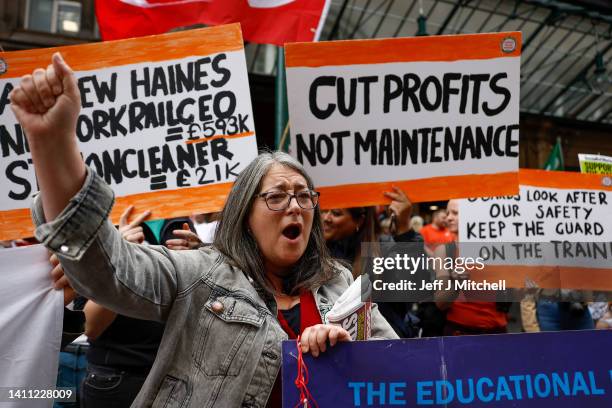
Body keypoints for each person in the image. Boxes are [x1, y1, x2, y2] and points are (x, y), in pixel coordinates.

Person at [11, 53, 397, 407]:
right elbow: (107, 267)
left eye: (303, 196)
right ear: (246, 214)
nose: (294, 205)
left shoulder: (338, 282)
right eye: (277, 196)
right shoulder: (199, 274)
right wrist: (54, 144)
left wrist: (345, 350)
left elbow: (397, 368)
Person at [321, 188, 431, 338]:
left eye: (336, 213)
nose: (326, 218)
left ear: (359, 220)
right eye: (323, 211)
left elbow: (414, 288)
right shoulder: (316, 251)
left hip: (383, 345)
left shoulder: (383, 249)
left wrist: (404, 229)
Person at [434, 200, 510, 335]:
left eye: (455, 213)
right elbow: (440, 303)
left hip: (497, 332)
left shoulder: (498, 249)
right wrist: (456, 283)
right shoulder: (445, 251)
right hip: (460, 332)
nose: (449, 217)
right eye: (447, 213)